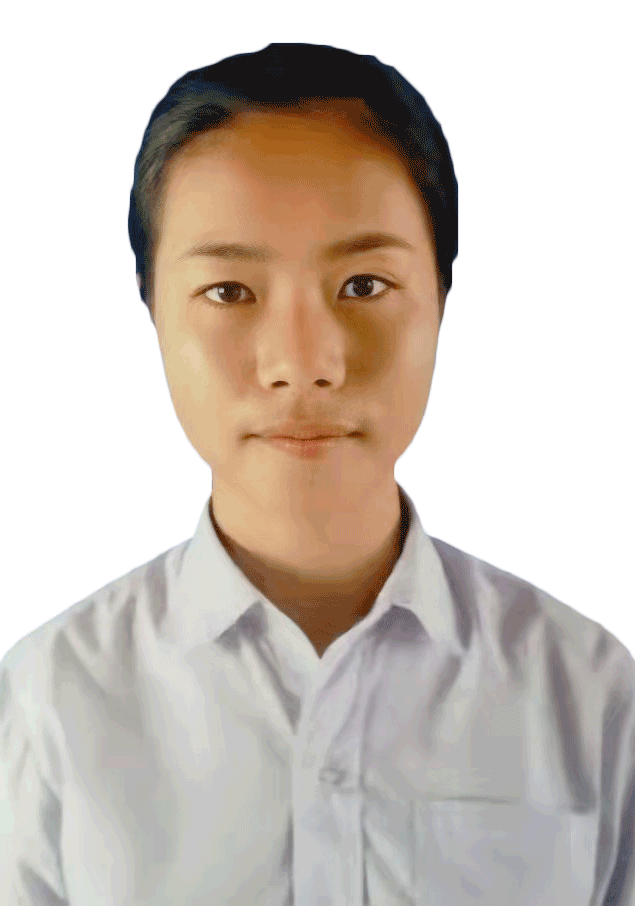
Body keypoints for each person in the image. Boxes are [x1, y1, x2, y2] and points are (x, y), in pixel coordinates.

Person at [1, 42, 633, 905]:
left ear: (442, 299)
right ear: (150, 308)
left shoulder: (587, 696)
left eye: (363, 285)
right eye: (230, 292)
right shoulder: (46, 706)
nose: (302, 364)